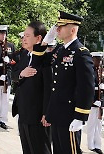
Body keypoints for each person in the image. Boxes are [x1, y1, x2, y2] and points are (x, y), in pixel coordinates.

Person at [44, 11, 95, 154]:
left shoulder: (81, 53)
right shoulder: (60, 50)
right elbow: (41, 63)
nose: (57, 29)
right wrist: (45, 43)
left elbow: (87, 88)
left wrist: (80, 116)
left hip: (71, 115)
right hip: (57, 113)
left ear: (72, 30)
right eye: (57, 26)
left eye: (61, 26)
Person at [12, 21, 52, 154]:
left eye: (27, 36)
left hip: (38, 116)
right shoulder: (24, 55)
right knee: (27, 149)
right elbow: (13, 74)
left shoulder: (46, 59)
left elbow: (49, 88)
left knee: (40, 149)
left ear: (38, 38)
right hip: (23, 112)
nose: (24, 39)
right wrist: (21, 74)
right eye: (23, 35)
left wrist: (47, 113)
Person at [87, 52, 104, 154]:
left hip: (100, 104)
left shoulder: (102, 72)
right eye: (96, 59)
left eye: (100, 59)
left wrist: (101, 102)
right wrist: (93, 101)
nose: (98, 61)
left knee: (98, 126)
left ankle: (97, 145)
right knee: (91, 125)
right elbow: (88, 89)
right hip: (92, 104)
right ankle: (90, 145)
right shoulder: (90, 72)